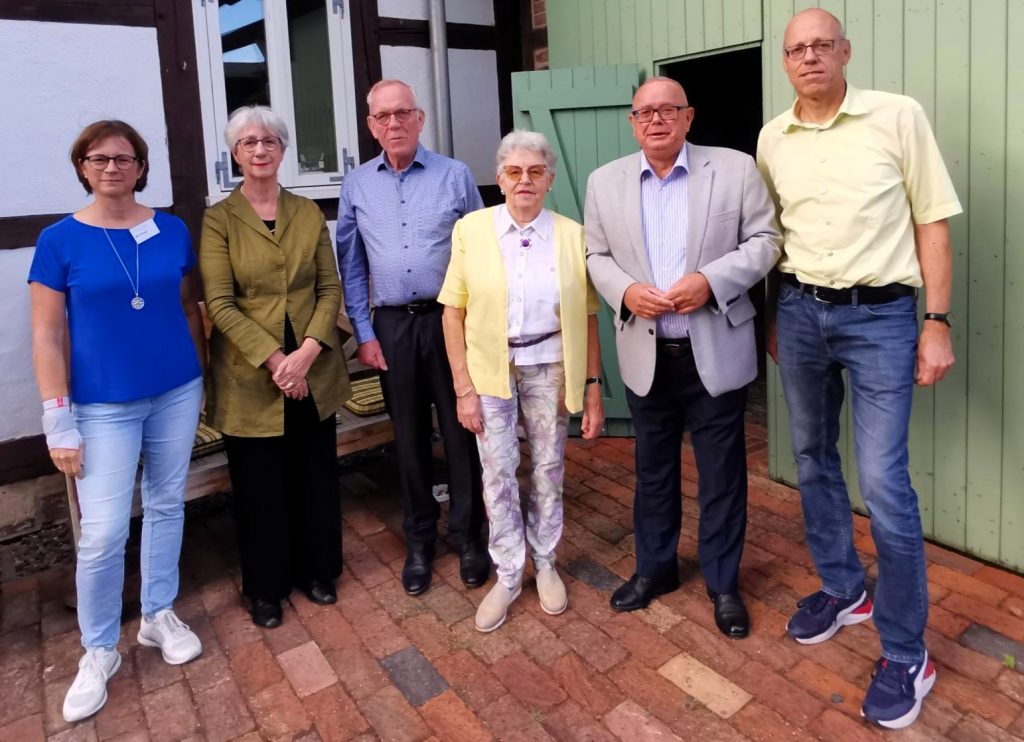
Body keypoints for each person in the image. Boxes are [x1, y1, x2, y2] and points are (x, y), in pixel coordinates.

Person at [756, 8, 961, 729]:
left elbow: (932, 220)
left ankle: (908, 653)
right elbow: (772, 236)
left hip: (881, 318)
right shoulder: (772, 138)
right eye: (797, 49)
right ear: (785, 62)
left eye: (822, 45)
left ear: (845, 51)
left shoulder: (897, 116)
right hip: (800, 312)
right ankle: (845, 589)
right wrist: (775, 315)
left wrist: (936, 322)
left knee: (883, 483)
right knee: (812, 456)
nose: (810, 56)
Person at [585, 77, 780, 639]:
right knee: (653, 470)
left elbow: (766, 241)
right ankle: (655, 569)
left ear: (688, 117)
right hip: (647, 352)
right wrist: (624, 290)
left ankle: (723, 581)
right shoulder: (604, 181)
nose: (656, 120)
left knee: (722, 473)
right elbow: (596, 254)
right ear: (632, 123)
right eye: (644, 112)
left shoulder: (734, 168)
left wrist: (711, 281)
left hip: (714, 347)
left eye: (668, 109)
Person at [29, 121, 205, 722]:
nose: (112, 168)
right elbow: (46, 335)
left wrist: (201, 376)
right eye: (99, 158)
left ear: (141, 166)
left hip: (176, 390)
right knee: (103, 531)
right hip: (102, 405)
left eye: (124, 158)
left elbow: (187, 308)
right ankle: (99, 648)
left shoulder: (171, 230)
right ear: (82, 166)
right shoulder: (59, 240)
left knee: (166, 503)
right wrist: (58, 420)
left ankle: (158, 614)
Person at [439, 130, 605, 632]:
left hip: (550, 364)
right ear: (499, 178)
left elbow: (589, 315)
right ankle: (509, 572)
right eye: (514, 171)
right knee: (498, 472)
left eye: (535, 171)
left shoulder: (573, 236)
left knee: (549, 467)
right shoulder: (472, 229)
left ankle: (546, 561)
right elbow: (452, 313)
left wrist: (593, 385)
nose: (524, 180)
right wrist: (463, 389)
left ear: (550, 179)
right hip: (491, 370)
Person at [336, 79, 489, 596]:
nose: (394, 123)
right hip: (392, 327)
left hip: (450, 321)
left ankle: (469, 536)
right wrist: (363, 331)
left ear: (419, 118)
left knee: (463, 430)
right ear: (371, 125)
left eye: (402, 113)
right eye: (383, 116)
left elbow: (480, 256)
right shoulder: (357, 184)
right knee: (408, 437)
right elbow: (351, 264)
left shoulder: (455, 175)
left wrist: (478, 327)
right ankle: (419, 540)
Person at [200, 105, 350, 629]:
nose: (260, 150)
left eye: (269, 141)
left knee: (314, 473)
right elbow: (220, 303)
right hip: (251, 372)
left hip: (313, 364)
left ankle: (319, 570)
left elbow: (329, 287)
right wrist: (277, 360)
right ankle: (266, 587)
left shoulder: (307, 213)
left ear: (283, 150)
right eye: (249, 143)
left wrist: (307, 352)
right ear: (235, 154)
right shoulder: (219, 219)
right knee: (259, 484)